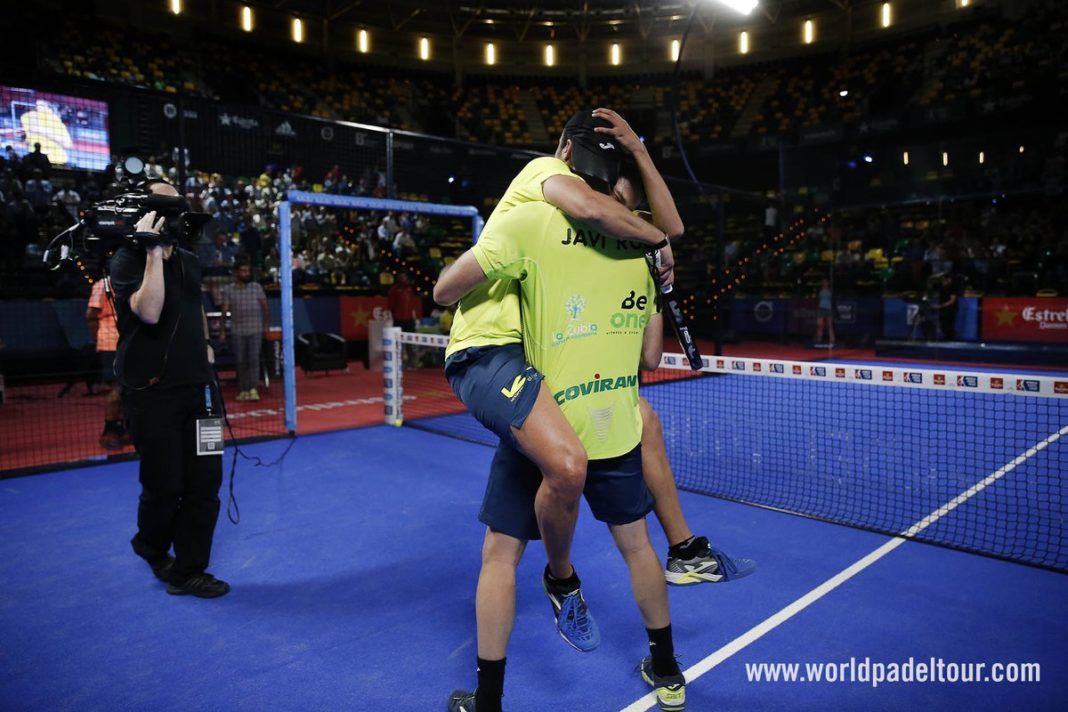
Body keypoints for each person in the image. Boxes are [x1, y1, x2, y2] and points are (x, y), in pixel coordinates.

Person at [435, 110, 679, 658]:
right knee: (568, 465)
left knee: (501, 547)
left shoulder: (599, 242)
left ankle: (490, 695)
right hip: (487, 352)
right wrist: (657, 239)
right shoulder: (537, 186)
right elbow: (442, 291)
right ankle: (563, 577)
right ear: (567, 154)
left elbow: (647, 351)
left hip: (532, 378)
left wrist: (653, 255)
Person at [109, 180, 229, 598]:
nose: (174, 216)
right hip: (151, 395)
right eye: (163, 207)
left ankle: (189, 570)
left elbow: (192, 312)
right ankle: (152, 545)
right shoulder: (125, 259)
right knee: (165, 485)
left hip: (201, 394)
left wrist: (207, 353)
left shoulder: (190, 261)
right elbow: (150, 310)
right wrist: (152, 251)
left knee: (206, 483)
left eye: (177, 206)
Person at [219, 256, 269, 402]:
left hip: (255, 329)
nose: (246, 273)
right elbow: (224, 312)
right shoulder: (228, 290)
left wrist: (266, 325)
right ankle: (243, 389)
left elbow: (265, 308)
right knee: (241, 360)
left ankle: (253, 389)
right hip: (237, 331)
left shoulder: (256, 287)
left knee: (254, 359)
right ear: (236, 273)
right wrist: (222, 331)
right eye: (243, 271)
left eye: (248, 271)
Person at [86, 275, 127, 449]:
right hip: (111, 343)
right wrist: (98, 338)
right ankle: (109, 431)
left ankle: (122, 428)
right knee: (118, 388)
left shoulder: (132, 279)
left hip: (130, 342)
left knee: (129, 388)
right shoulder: (102, 284)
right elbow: (90, 315)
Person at [814, 278, 835, 346]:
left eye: (826, 282)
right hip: (821, 308)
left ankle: (832, 340)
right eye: (823, 282)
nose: (824, 283)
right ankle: (819, 339)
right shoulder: (820, 291)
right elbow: (818, 299)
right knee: (819, 325)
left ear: (828, 283)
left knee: (829, 325)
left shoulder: (830, 291)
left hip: (828, 309)